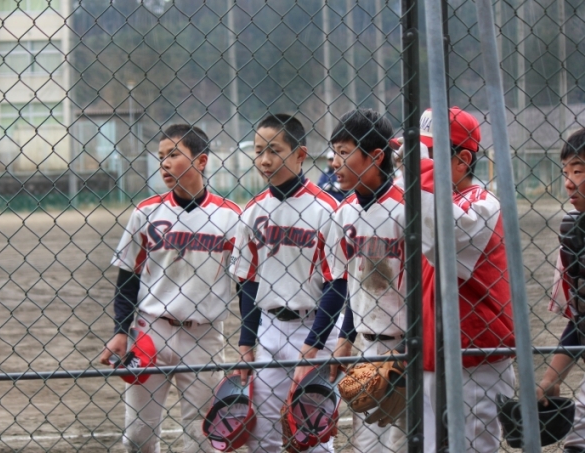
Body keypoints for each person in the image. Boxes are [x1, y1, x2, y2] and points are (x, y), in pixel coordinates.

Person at [99, 124, 241, 453]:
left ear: (201, 161)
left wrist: (247, 340)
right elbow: (128, 278)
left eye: (174, 154)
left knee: (202, 437)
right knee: (138, 435)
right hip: (151, 331)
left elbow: (245, 283)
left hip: (204, 335)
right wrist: (121, 330)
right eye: (161, 156)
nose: (164, 163)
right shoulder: (146, 212)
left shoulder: (230, 216)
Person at [231, 113, 344, 453]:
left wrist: (315, 342)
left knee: (312, 436)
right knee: (261, 434)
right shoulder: (253, 211)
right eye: (258, 151)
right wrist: (246, 343)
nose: (264, 160)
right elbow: (248, 283)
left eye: (274, 150)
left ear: (300, 154)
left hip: (317, 326)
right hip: (268, 328)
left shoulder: (327, 209)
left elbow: (337, 284)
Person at [327, 108, 433, 452]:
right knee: (367, 445)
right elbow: (347, 283)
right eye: (334, 152)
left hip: (411, 346)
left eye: (344, 152)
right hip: (367, 345)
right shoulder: (344, 214)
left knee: (407, 442)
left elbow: (428, 288)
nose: (334, 162)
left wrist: (404, 352)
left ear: (375, 156)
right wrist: (345, 338)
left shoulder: (407, 209)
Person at [418, 107, 516, 453]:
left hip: (476, 360)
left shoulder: (483, 204)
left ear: (462, 161)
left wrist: (417, 170)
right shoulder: (430, 202)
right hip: (432, 354)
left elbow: (444, 237)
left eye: (429, 154)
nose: (419, 164)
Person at [537, 128, 585, 453]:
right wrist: (550, 381)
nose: (568, 182)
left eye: (578, 171)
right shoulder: (573, 235)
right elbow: (579, 320)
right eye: (565, 172)